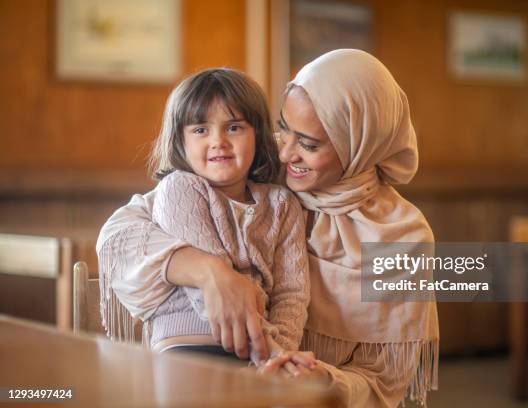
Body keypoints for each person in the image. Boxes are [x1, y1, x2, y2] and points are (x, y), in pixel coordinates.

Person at [97, 49, 439, 407]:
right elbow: (119, 235)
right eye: (283, 129)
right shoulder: (253, 168)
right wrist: (208, 271)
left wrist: (322, 379)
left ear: (361, 144)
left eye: (308, 144)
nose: (286, 153)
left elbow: (382, 383)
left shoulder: (403, 239)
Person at [97, 68, 311, 368]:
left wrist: (281, 353)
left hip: (262, 350)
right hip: (188, 344)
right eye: (200, 129)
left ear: (258, 134)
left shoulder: (282, 203)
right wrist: (268, 350)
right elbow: (209, 293)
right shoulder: (179, 188)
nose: (218, 140)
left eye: (234, 127)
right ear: (180, 141)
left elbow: (292, 292)